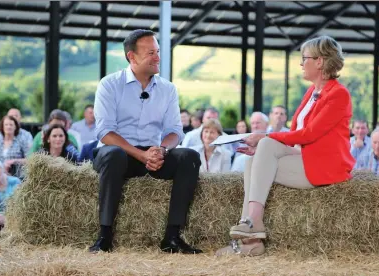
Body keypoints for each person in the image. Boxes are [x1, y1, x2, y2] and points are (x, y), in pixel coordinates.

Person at [216, 35, 355, 256]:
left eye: (304, 58)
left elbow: (309, 135)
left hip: (325, 167)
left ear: (319, 61)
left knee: (266, 146)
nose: (301, 63)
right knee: (254, 159)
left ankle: (252, 228)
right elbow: (294, 135)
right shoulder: (312, 92)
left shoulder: (339, 94)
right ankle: (251, 235)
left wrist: (262, 138)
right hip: (304, 159)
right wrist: (262, 147)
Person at [90, 29, 202, 254]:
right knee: (114, 154)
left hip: (152, 156)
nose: (158, 58)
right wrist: (140, 154)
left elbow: (174, 131)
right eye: (151, 52)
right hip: (117, 154)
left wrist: (161, 150)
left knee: (189, 157)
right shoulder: (109, 84)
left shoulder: (168, 89)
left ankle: (172, 237)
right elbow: (104, 131)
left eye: (158, 51)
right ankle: (104, 236)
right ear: (132, 57)